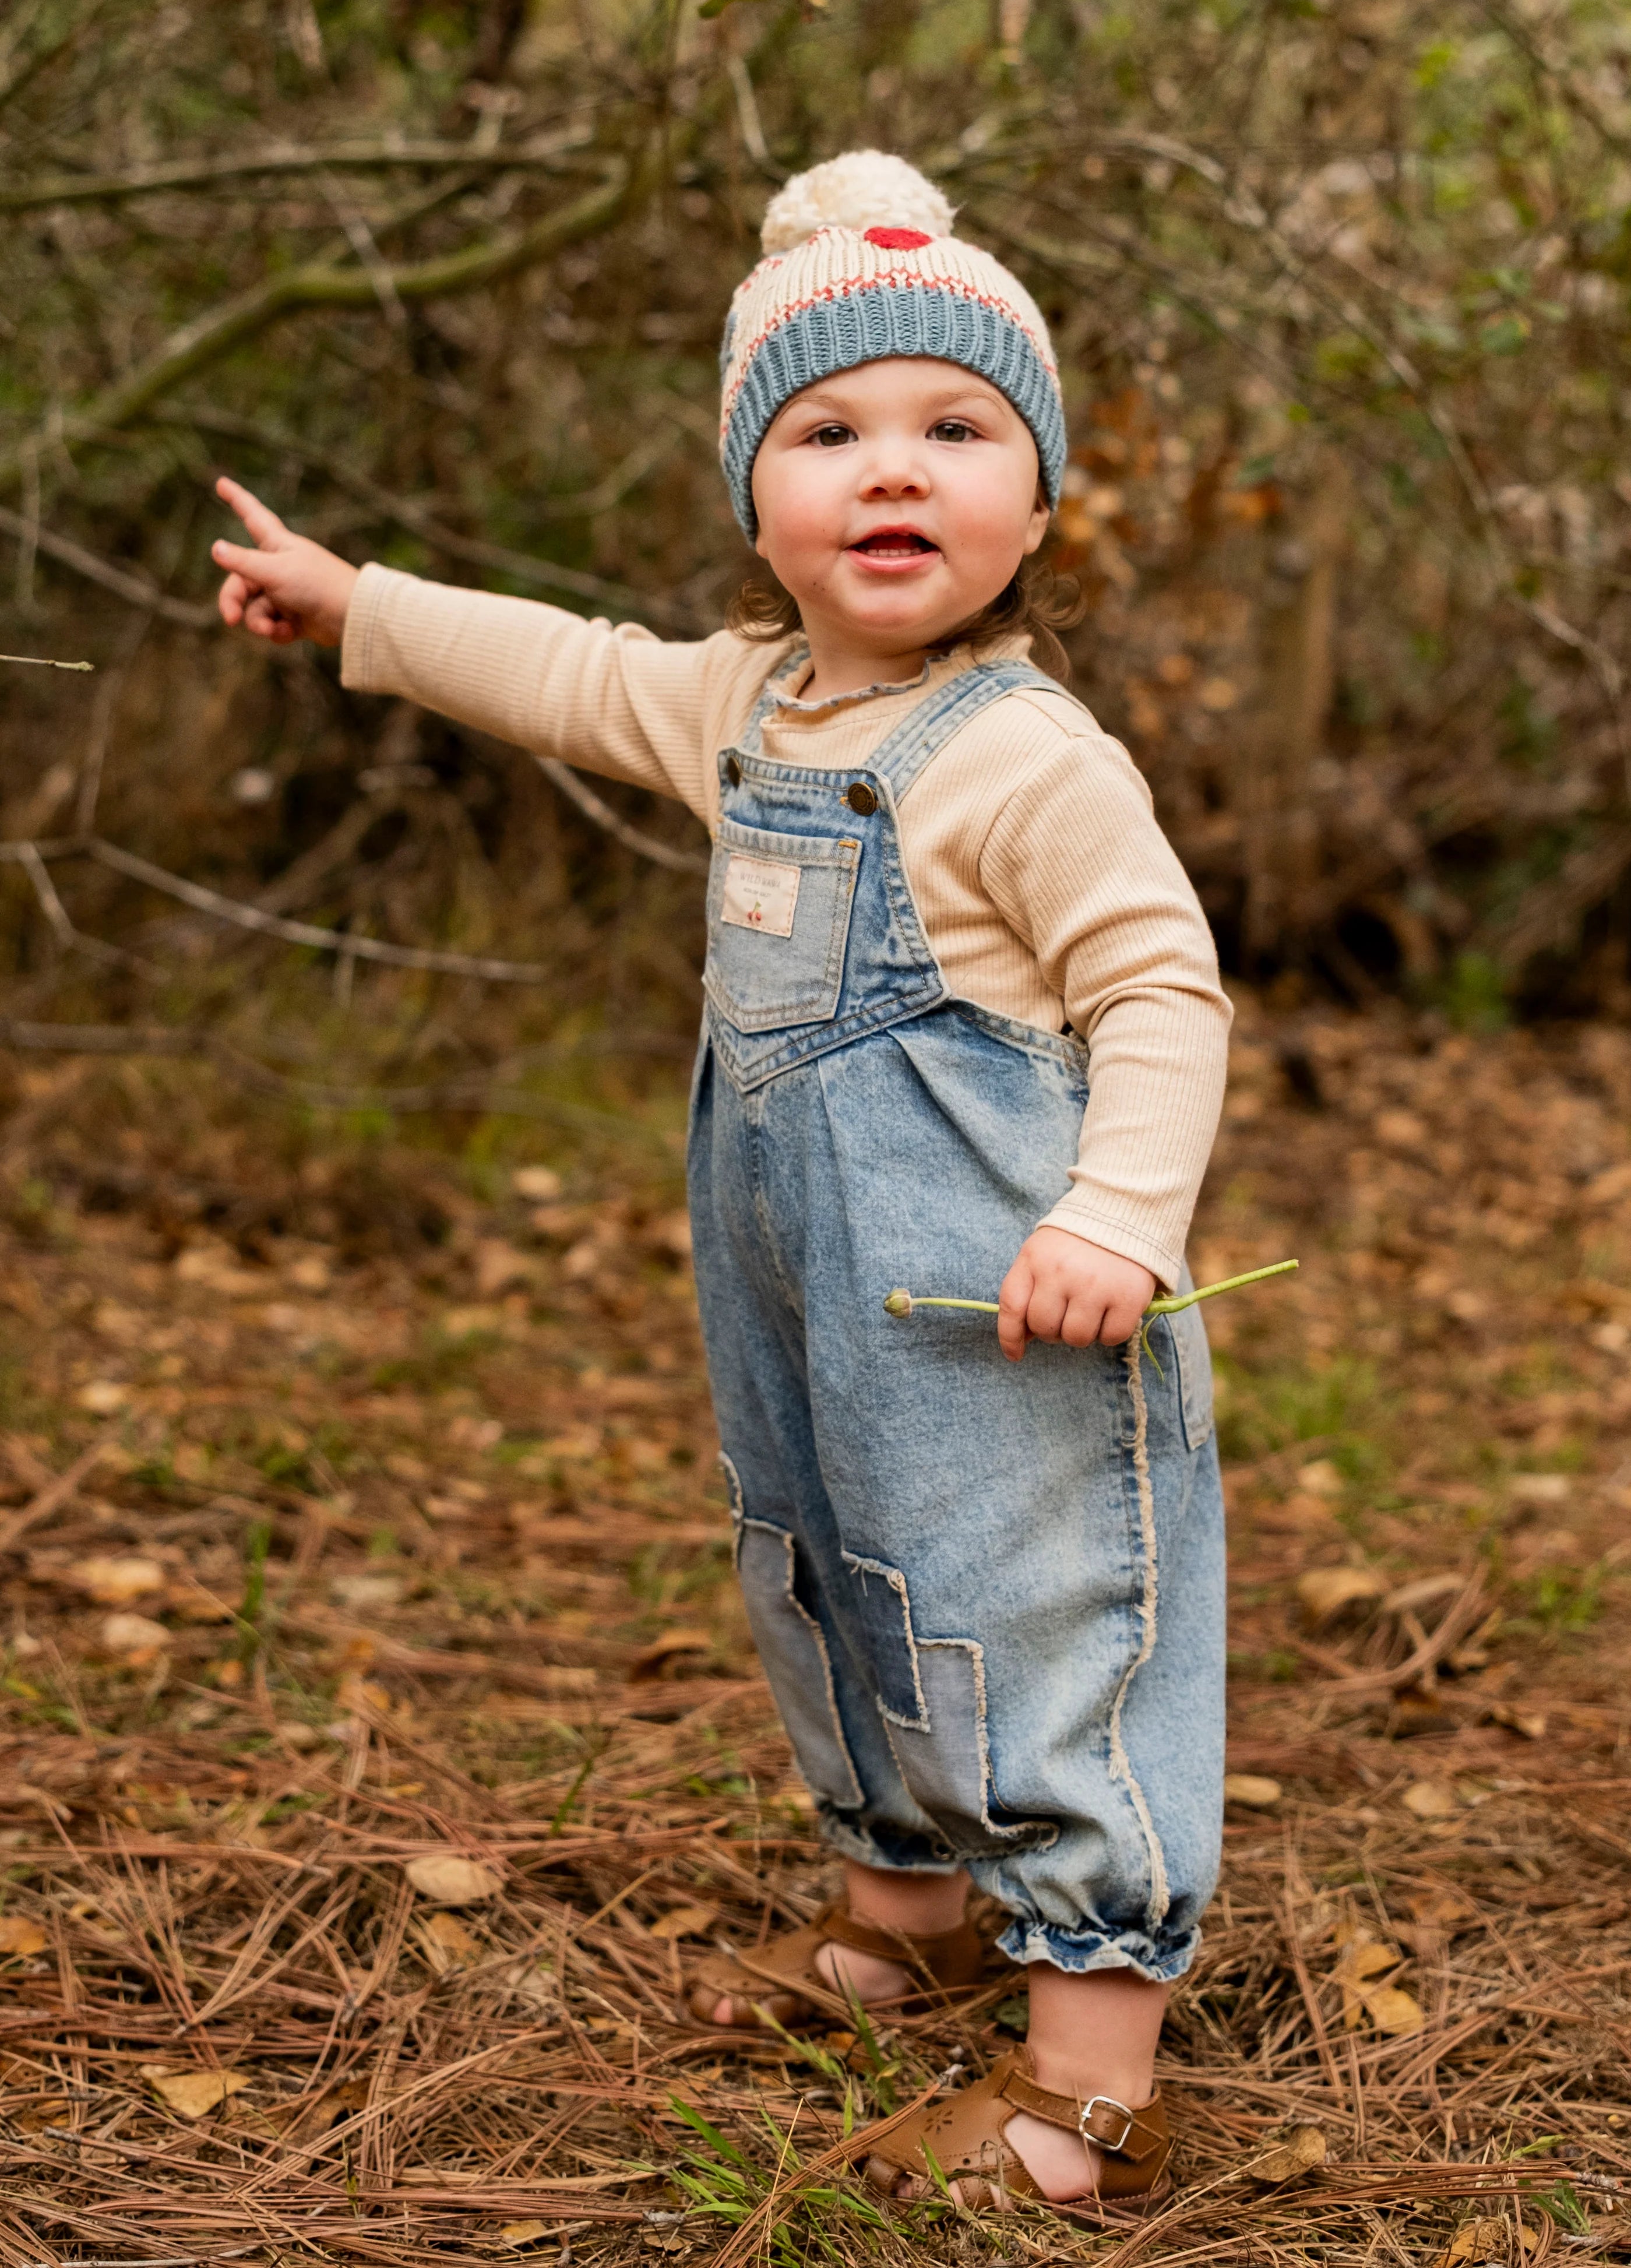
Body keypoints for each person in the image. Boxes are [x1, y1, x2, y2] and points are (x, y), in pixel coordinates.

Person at [210, 149, 1231, 2214]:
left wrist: (1118, 1217)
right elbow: (566, 670)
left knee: (1029, 1616)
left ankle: (1095, 2070)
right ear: (752, 494)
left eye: (959, 431)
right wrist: (358, 605)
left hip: (999, 1308)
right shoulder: (745, 698)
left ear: (1037, 503)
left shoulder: (1028, 757)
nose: (895, 471)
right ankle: (904, 1911)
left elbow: (1163, 985)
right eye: (830, 428)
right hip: (797, 1293)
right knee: (834, 1571)